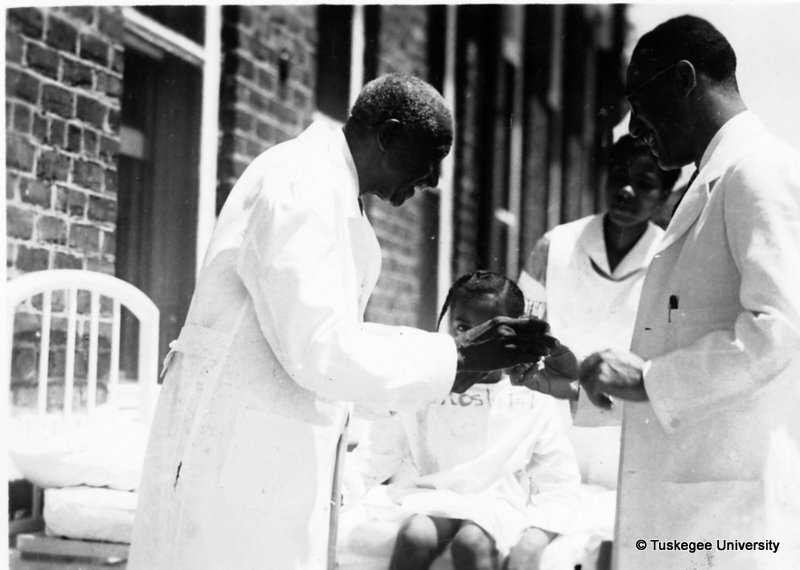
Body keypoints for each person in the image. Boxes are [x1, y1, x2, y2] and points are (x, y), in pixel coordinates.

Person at [128, 74, 553, 570]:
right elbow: (320, 349)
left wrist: (450, 361)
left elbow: (324, 335)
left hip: (264, 448)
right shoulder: (303, 184)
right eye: (430, 159)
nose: (434, 181)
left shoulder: (326, 186)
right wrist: (454, 356)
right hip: (234, 449)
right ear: (389, 135)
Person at [576, 16, 800, 569]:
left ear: (684, 80)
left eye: (639, 102)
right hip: (692, 511)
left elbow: (778, 330)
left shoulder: (758, 172)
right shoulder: (714, 180)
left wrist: (650, 381)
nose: (635, 128)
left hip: (729, 518)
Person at [340, 272, 579, 570]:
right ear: (449, 324)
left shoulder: (530, 397)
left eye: (494, 332)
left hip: (495, 502)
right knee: (415, 537)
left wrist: (538, 535)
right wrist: (338, 494)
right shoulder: (429, 386)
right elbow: (378, 452)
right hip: (432, 496)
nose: (479, 341)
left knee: (472, 543)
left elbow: (559, 480)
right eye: (464, 327)